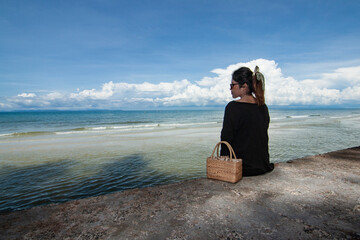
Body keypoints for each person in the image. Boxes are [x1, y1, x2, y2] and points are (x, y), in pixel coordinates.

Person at [220, 66, 274, 176]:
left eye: (232, 85)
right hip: (262, 166)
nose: (230, 88)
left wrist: (223, 164)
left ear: (243, 86)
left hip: (241, 168)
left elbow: (226, 138)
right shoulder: (263, 106)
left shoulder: (233, 107)